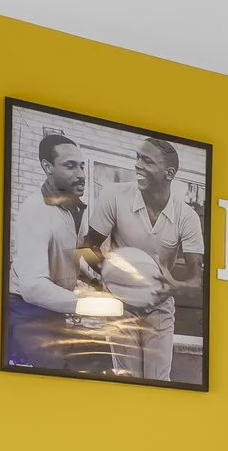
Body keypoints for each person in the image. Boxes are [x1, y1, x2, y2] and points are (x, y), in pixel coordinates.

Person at [5, 130, 130, 376]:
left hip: (56, 310)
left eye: (82, 166)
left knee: (102, 361)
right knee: (56, 378)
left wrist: (100, 277)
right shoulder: (34, 214)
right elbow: (32, 287)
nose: (81, 174)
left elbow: (79, 250)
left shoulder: (73, 207)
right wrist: (88, 304)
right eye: (70, 166)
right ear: (47, 167)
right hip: (28, 313)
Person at [81, 136, 206, 382]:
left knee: (158, 382)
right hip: (122, 304)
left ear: (169, 173)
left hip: (159, 304)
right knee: (128, 380)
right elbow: (86, 248)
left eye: (147, 161)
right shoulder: (114, 195)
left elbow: (196, 281)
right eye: (137, 158)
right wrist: (108, 278)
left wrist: (173, 286)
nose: (138, 165)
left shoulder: (187, 217)